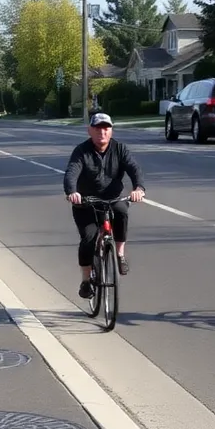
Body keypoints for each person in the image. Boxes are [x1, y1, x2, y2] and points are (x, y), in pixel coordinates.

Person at [63, 112, 145, 298]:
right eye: (98, 128)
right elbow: (71, 173)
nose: (102, 132)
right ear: (90, 130)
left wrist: (139, 188)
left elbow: (134, 168)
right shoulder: (81, 151)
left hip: (112, 199)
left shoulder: (120, 149)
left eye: (106, 128)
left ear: (111, 130)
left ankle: (120, 253)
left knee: (122, 211)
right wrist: (72, 192)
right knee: (89, 239)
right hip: (86, 202)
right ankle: (85, 280)